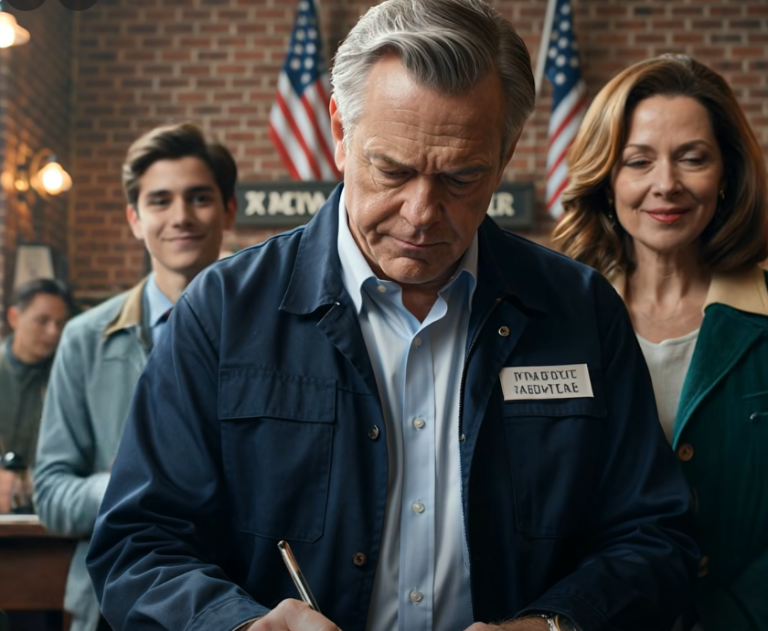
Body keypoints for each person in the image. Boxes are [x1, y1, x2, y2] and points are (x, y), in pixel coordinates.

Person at [87, 2, 698, 630]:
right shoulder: (221, 311)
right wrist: (237, 625)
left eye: (461, 176)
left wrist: (553, 625)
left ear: (507, 150)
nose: (421, 212)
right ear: (340, 131)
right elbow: (138, 544)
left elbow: (654, 538)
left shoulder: (580, 309)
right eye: (393, 170)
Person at [553, 54, 768, 631]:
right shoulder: (556, 325)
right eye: (638, 161)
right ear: (608, 178)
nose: (665, 185)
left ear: (727, 172)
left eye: (693, 158)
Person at [33, 122, 237, 631]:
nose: (181, 217)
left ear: (229, 209)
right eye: (160, 201)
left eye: (199, 198)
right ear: (134, 218)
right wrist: (146, 486)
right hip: (113, 604)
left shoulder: (270, 335)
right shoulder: (84, 340)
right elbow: (52, 492)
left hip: (236, 603)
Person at [0, 277, 72, 512]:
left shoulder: (67, 378)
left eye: (60, 324)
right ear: (14, 318)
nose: (53, 332)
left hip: (45, 511)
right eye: (42, 321)